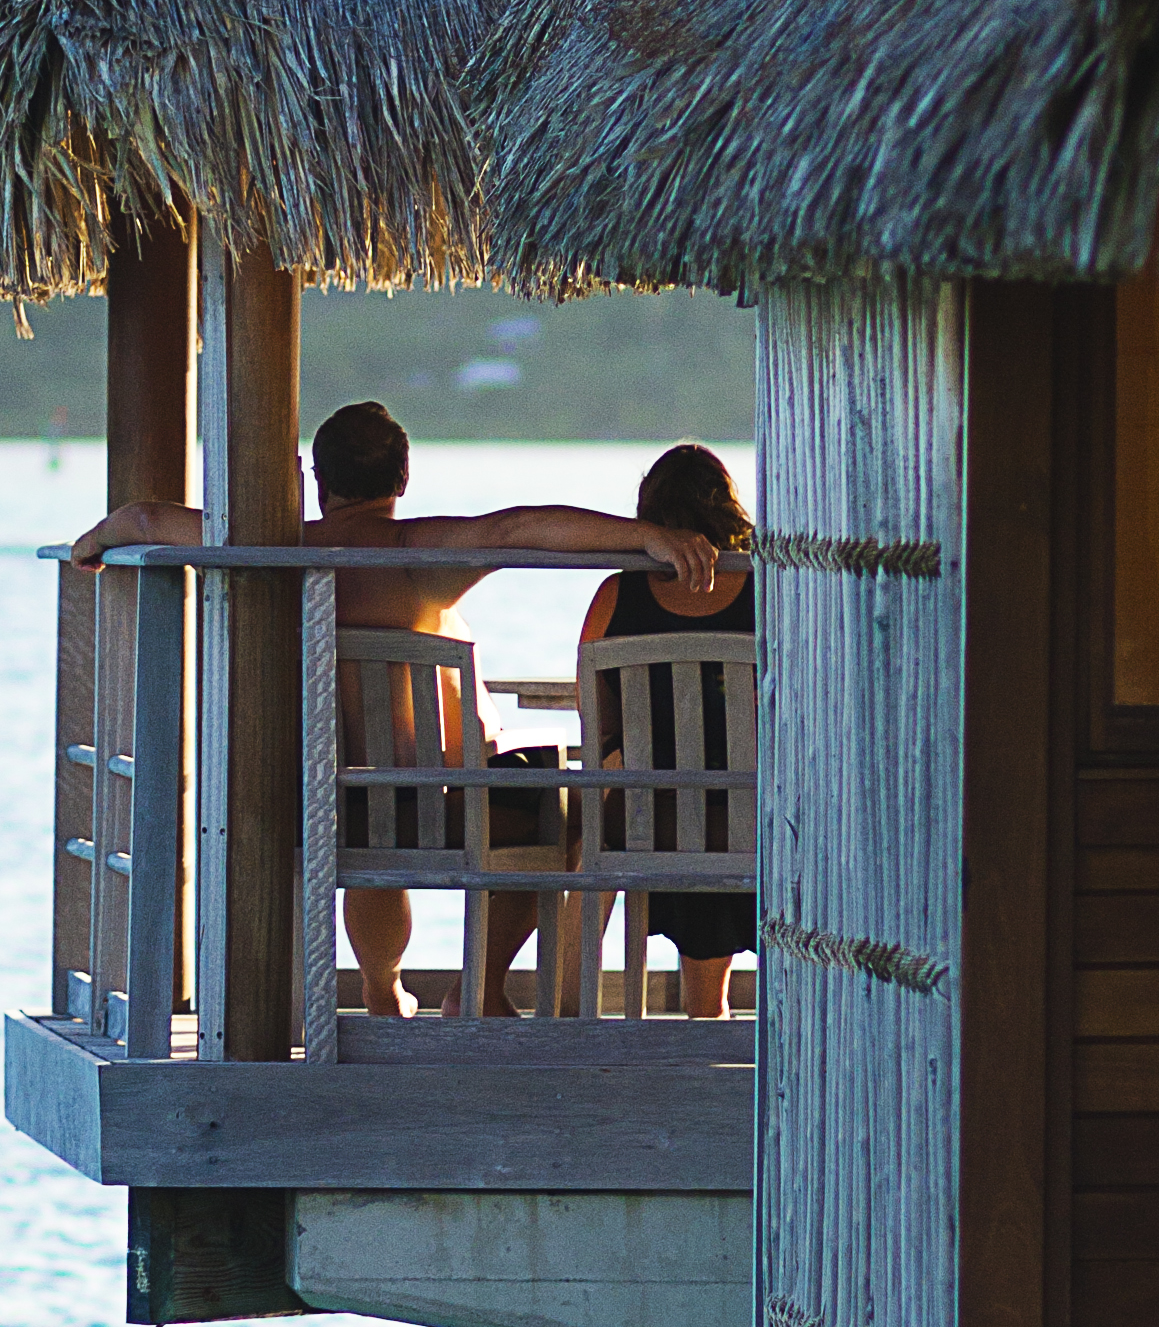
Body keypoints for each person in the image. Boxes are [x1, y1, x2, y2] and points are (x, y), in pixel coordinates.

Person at [68, 398, 684, 1015]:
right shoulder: (419, 557)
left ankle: (381, 984)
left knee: (373, 805)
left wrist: (95, 540)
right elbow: (516, 527)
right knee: (557, 804)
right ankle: (480, 986)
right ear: (403, 478)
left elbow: (146, 517)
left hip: (318, 802)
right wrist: (644, 536)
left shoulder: (281, 551)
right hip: (442, 804)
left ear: (320, 482)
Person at [575, 440, 758, 1017]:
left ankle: (569, 1005)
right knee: (724, 811)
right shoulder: (770, 592)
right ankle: (711, 1014)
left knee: (620, 809)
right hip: (750, 815)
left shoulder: (615, 596)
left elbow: (596, 726)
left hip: (646, 816)